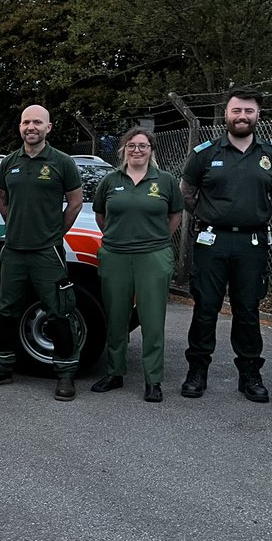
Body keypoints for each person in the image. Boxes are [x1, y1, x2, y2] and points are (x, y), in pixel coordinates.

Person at [179, 87, 272, 402]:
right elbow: (187, 191)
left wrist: (261, 213)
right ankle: (197, 372)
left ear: (258, 115)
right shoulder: (205, 153)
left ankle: (250, 374)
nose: (242, 116)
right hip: (211, 240)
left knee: (247, 310)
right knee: (205, 308)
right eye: (236, 111)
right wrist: (207, 214)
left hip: (252, 242)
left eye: (248, 111)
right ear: (226, 114)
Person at [0, 103, 84, 400]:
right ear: (20, 127)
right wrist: (16, 227)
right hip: (14, 250)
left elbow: (75, 202)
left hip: (47, 252)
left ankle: (65, 374)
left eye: (37, 122)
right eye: (26, 122)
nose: (31, 127)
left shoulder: (62, 162)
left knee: (60, 310)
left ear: (49, 128)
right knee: (6, 310)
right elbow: (2, 199)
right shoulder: (10, 162)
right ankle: (2, 367)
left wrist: (55, 234)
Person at [90, 127, 183, 402]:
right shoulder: (110, 181)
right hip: (116, 255)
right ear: (124, 150)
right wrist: (118, 238)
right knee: (116, 317)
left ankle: (153, 380)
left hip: (153, 256)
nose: (137, 150)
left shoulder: (164, 181)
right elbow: (100, 216)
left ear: (151, 151)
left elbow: (175, 215)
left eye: (143, 146)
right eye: (131, 146)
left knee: (153, 320)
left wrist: (157, 240)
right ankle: (115, 373)